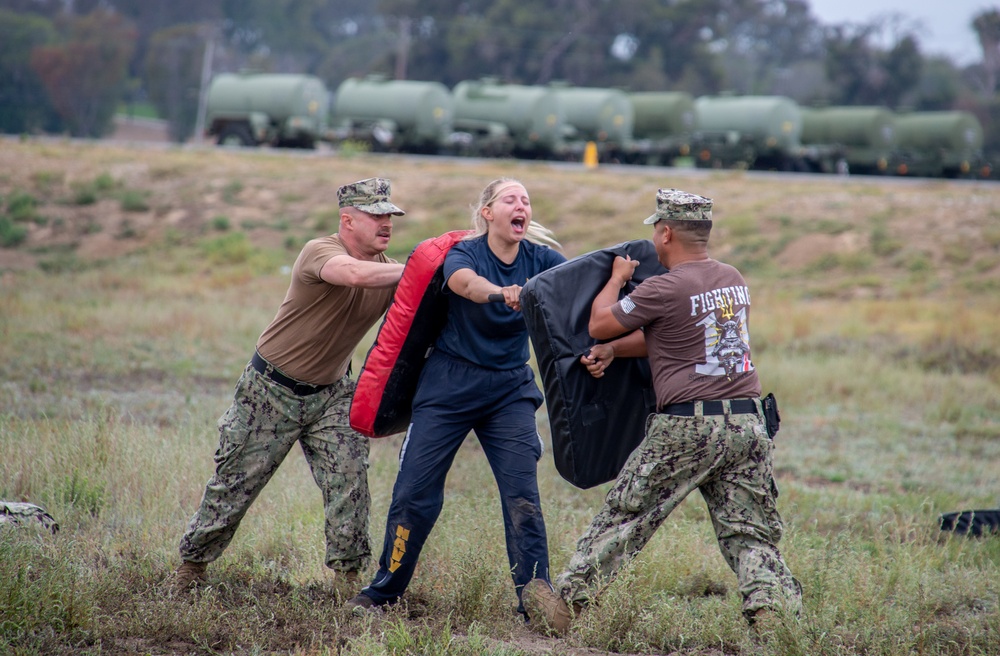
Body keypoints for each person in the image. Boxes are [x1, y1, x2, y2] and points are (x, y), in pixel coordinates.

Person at [522, 188, 801, 634]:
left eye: (656, 231)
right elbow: (678, 337)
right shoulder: (732, 278)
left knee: (627, 515)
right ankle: (772, 613)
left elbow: (598, 323)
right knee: (749, 530)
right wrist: (615, 351)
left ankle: (567, 605)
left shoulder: (665, 286)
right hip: (748, 421)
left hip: (688, 425)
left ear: (666, 232)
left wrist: (616, 278)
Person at [171, 177, 407, 591]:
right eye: (376, 215)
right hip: (270, 391)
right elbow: (350, 274)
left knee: (350, 481)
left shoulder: (389, 273)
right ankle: (191, 568)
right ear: (347, 220)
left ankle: (347, 581)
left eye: (390, 215)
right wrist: (419, 268)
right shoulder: (321, 251)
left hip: (332, 396)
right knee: (234, 485)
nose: (386, 223)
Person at [347, 178, 566, 617]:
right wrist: (499, 293)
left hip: (509, 389)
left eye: (525, 200)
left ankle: (534, 598)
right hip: (448, 385)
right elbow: (464, 284)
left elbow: (575, 289)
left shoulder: (543, 260)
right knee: (414, 493)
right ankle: (384, 591)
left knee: (522, 495)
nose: (520, 205)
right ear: (488, 212)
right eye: (510, 199)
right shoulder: (466, 254)